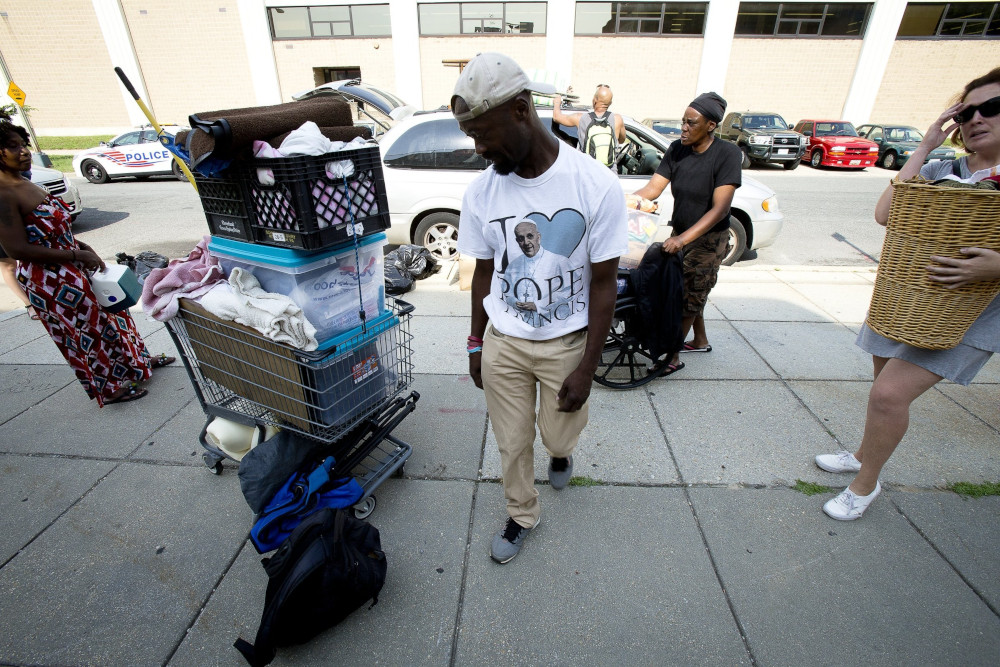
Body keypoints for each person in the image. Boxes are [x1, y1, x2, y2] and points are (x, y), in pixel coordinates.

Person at [453, 53, 627, 564]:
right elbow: (482, 273)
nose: (479, 149)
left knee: (558, 430)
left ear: (522, 109)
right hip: (505, 341)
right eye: (472, 137)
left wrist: (588, 367)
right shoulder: (482, 191)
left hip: (565, 344)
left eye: (484, 135)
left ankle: (561, 451)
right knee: (511, 443)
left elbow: (603, 284)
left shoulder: (594, 185)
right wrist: (475, 342)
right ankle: (521, 512)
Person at [815, 67, 1000, 521]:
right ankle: (863, 455)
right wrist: (924, 146)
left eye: (991, 107)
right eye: (967, 110)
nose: (977, 118)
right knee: (882, 386)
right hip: (911, 299)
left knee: (889, 396)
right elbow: (885, 214)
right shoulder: (942, 168)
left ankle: (865, 485)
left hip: (973, 312)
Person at [0, 120, 175, 406]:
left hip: (73, 267)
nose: (23, 152)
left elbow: (53, 230)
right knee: (86, 332)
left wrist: (82, 247)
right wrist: (75, 255)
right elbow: (17, 248)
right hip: (50, 280)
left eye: (23, 145)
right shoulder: (3, 194)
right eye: (12, 147)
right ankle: (110, 388)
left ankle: (137, 363)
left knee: (114, 318)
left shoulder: (24, 182)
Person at [627, 92, 742, 375]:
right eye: (683, 122)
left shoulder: (726, 154)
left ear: (711, 125)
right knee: (688, 289)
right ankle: (700, 340)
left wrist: (682, 239)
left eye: (691, 123)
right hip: (680, 232)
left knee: (690, 295)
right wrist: (622, 201)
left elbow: (719, 208)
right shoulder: (677, 149)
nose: (684, 128)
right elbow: (653, 189)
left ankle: (672, 356)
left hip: (708, 238)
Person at [553, 84, 626, 167]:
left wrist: (556, 103)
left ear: (594, 100)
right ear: (610, 103)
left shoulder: (580, 118)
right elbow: (621, 140)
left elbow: (556, 117)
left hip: (587, 172)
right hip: (609, 174)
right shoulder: (618, 120)